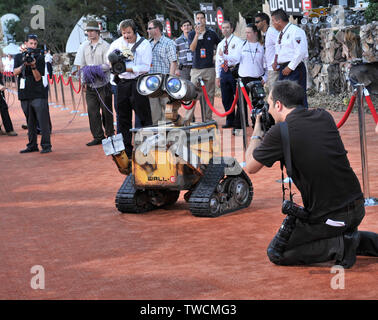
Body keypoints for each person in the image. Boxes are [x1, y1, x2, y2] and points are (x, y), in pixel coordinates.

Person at [245, 80, 378, 267]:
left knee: (278, 251)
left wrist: (257, 129)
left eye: (269, 104)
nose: (268, 110)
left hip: (330, 216)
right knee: (337, 227)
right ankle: (359, 240)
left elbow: (250, 166)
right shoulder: (324, 116)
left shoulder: (280, 132)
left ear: (278, 105)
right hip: (356, 207)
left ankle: (340, 246)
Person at [107, 19, 152, 163]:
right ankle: (125, 151)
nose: (126, 36)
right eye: (124, 33)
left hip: (138, 82)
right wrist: (114, 63)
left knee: (144, 117)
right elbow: (108, 60)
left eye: (129, 33)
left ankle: (146, 150)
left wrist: (128, 68)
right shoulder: (117, 43)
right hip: (122, 83)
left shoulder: (144, 44)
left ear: (135, 31)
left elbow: (145, 67)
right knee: (122, 118)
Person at [74, 20, 114, 146]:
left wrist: (94, 70)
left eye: (92, 31)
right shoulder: (83, 46)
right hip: (90, 85)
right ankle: (97, 136)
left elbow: (109, 65)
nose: (90, 33)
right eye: (88, 31)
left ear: (98, 32)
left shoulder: (106, 46)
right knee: (92, 111)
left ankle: (110, 134)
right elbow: (81, 64)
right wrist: (83, 81)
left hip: (104, 84)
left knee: (106, 111)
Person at [14, 34, 52, 153]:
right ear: (25, 43)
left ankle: (46, 146)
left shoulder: (40, 57)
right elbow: (15, 72)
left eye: (35, 44)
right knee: (30, 122)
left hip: (38, 93)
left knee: (42, 121)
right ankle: (32, 145)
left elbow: (37, 78)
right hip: (24, 94)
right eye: (31, 43)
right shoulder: (18, 57)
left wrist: (33, 65)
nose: (33, 46)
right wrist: (24, 65)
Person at [225, 24, 267, 131]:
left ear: (255, 33)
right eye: (246, 32)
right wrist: (224, 56)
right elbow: (235, 58)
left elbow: (267, 64)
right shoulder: (242, 44)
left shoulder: (262, 46)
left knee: (258, 104)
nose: (247, 35)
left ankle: (258, 127)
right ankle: (239, 127)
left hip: (257, 79)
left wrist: (265, 78)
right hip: (243, 78)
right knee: (241, 104)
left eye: (249, 32)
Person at [184, 11, 220, 123]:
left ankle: (208, 119)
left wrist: (216, 55)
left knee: (209, 95)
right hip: (196, 69)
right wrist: (196, 34)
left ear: (205, 20)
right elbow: (192, 48)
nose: (200, 20)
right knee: (191, 94)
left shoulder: (212, 33)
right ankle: (188, 119)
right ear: (196, 20)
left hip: (209, 68)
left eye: (202, 18)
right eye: (198, 18)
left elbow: (220, 45)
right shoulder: (191, 34)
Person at [271, 9, 308, 108]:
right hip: (283, 68)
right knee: (285, 98)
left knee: (297, 96)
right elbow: (280, 51)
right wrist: (276, 63)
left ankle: (303, 121)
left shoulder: (296, 31)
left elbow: (301, 51)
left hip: (295, 68)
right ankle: (289, 120)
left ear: (279, 21)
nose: (273, 24)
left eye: (273, 21)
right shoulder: (280, 34)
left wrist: (290, 67)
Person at [147, 19, 177, 124]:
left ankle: (171, 136)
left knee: (169, 113)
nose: (148, 31)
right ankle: (158, 137)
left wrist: (170, 82)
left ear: (157, 29)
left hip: (165, 83)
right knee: (154, 114)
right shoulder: (147, 44)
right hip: (152, 84)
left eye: (150, 28)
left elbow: (173, 62)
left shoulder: (168, 43)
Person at [215, 20, 243, 129]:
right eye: (223, 28)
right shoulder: (220, 44)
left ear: (232, 29)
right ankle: (229, 120)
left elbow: (238, 57)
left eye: (227, 27)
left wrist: (226, 57)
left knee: (238, 97)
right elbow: (218, 61)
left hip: (234, 71)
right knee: (226, 98)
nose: (225, 29)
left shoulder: (238, 41)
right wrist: (218, 76)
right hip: (224, 72)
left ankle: (239, 121)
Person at [255, 12, 279, 95]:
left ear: (264, 22)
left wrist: (276, 62)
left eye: (257, 22)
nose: (256, 24)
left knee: (274, 95)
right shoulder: (266, 33)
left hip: (274, 69)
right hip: (269, 69)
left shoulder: (272, 32)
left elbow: (281, 45)